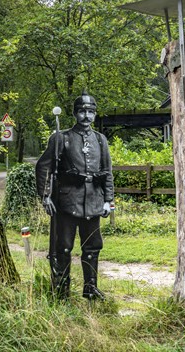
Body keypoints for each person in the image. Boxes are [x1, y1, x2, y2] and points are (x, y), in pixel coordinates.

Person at [35, 91, 114, 300]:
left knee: (92, 247)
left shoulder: (100, 139)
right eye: (82, 112)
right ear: (75, 114)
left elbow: (107, 171)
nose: (86, 116)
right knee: (63, 248)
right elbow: (44, 167)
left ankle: (91, 289)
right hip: (67, 202)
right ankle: (61, 292)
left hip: (93, 202)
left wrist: (108, 200)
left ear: (95, 115)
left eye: (91, 112)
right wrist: (46, 196)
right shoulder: (62, 138)